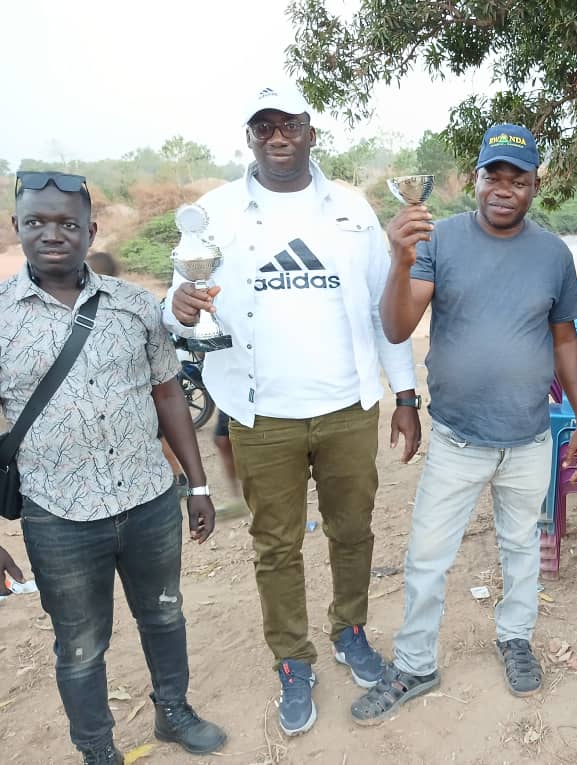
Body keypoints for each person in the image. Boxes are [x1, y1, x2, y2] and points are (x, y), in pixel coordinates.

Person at [165, 83, 421, 737]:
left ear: (311, 131)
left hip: (346, 406)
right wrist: (180, 309)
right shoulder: (216, 212)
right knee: (275, 544)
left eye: (290, 125)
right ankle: (292, 658)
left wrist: (405, 395)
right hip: (259, 413)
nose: (278, 136)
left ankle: (350, 630)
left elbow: (383, 310)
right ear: (249, 138)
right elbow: (179, 299)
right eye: (264, 127)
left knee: (353, 530)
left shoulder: (353, 209)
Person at [349, 123, 577, 725]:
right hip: (458, 438)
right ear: (476, 179)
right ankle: (415, 664)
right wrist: (400, 260)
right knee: (427, 557)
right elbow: (398, 327)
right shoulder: (439, 239)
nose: (504, 189)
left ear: (535, 186)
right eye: (493, 176)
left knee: (522, 547)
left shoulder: (553, 254)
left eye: (519, 179)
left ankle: (515, 638)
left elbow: (565, 339)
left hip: (530, 437)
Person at [1, 172, 225, 764]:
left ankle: (173, 712)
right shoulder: (0, 318)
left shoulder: (134, 305)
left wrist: (197, 484)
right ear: (17, 227)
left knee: (164, 615)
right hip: (59, 516)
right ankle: (97, 749)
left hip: (149, 501)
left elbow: (168, 392)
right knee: (80, 645)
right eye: (36, 222)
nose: (53, 234)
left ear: (90, 231)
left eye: (68, 223)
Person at [85, 251, 190, 497]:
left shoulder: (121, 306)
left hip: (145, 391)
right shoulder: (126, 302)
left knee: (157, 435)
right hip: (146, 389)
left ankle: (178, 477)